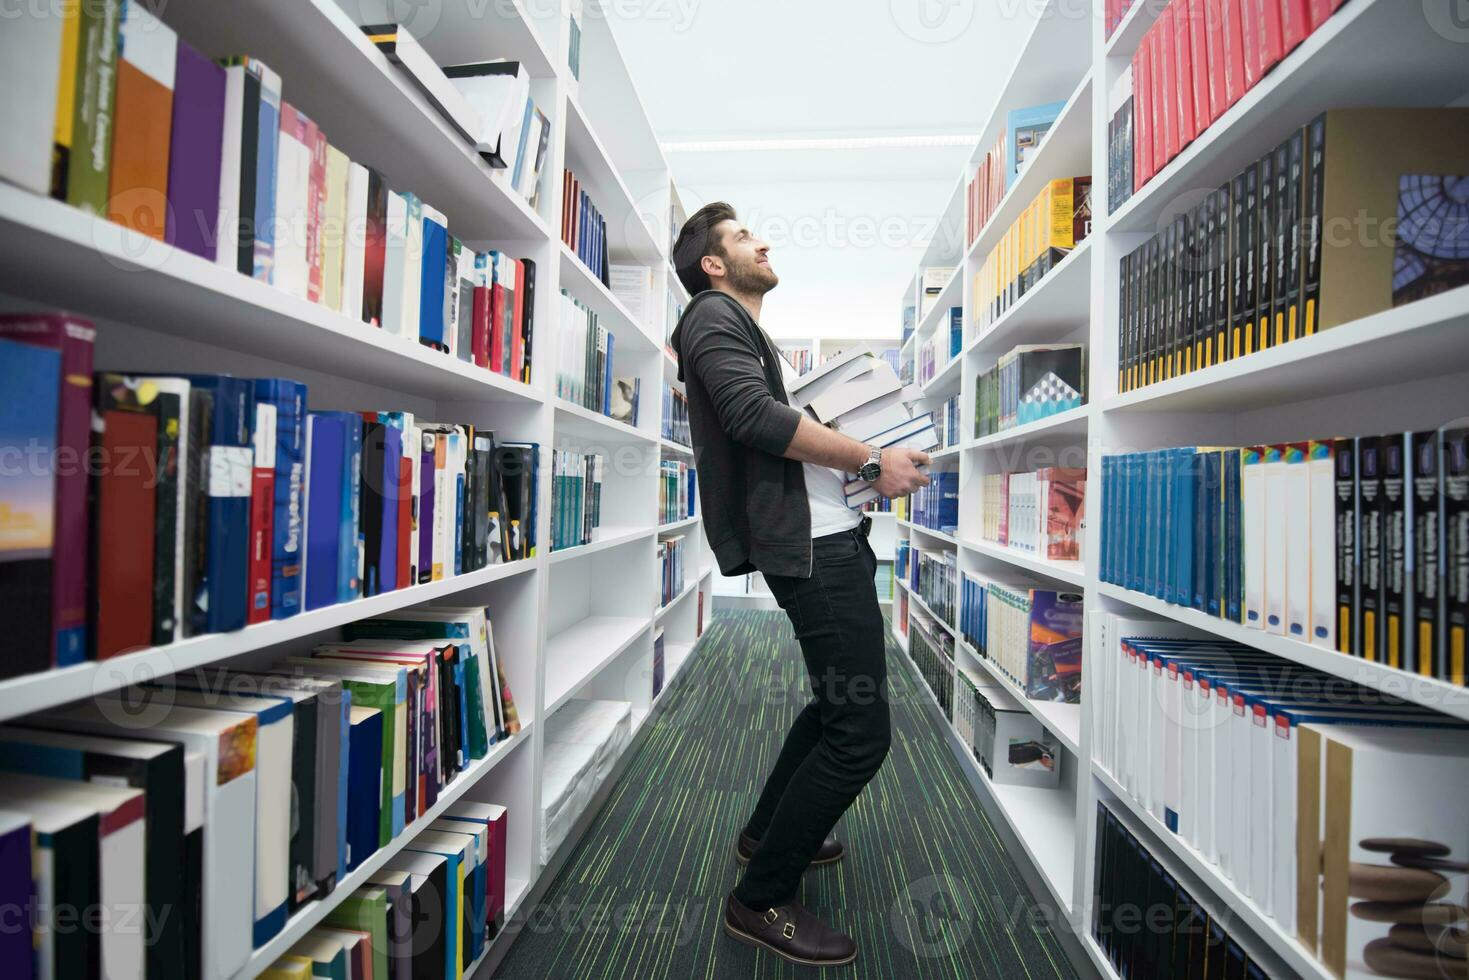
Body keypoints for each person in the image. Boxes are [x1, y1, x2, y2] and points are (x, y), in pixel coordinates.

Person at [668, 202, 931, 967]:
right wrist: (868, 458)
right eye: (745, 237)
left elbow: (755, 415)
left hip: (825, 540)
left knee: (833, 703)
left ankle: (764, 832)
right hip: (811, 551)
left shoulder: (738, 326)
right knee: (860, 736)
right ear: (713, 264)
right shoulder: (711, 315)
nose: (764, 241)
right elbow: (751, 417)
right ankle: (759, 900)